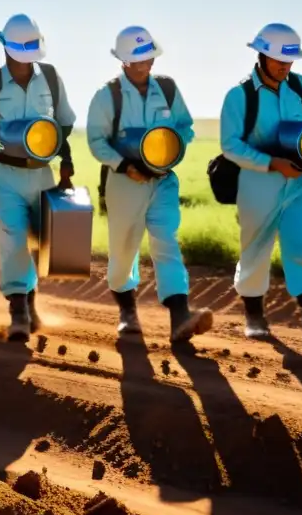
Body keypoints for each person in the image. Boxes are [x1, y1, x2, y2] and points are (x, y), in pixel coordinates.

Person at [219, 22, 302, 352]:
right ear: (261, 55)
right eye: (279, 60)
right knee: (255, 249)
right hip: (257, 181)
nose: (285, 66)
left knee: (301, 244)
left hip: (301, 182)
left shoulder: (301, 87)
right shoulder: (239, 97)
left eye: (290, 61)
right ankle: (254, 317)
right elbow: (230, 146)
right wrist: (272, 163)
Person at [86, 26, 213, 341]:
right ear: (124, 61)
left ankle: (180, 318)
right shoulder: (107, 96)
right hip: (124, 183)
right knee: (123, 254)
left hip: (163, 181)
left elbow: (185, 126)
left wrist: (172, 151)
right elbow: (96, 142)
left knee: (166, 242)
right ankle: (128, 313)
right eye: (139, 59)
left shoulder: (168, 90)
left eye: (149, 57)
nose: (146, 64)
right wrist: (125, 165)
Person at [0, 14, 77, 342]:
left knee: (43, 242)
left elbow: (65, 122)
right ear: (5, 47)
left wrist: (66, 158)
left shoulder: (52, 78)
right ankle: (18, 312)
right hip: (5, 173)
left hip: (42, 172)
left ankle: (31, 303)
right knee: (13, 238)